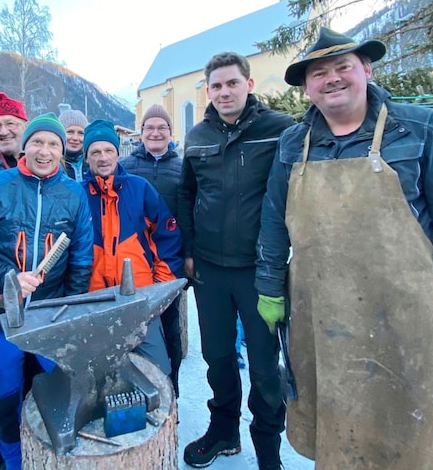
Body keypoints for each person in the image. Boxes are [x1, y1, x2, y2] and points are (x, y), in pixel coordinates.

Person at [255, 27, 433, 469]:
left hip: (401, 321)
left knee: (410, 441)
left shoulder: (422, 129)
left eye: (342, 67)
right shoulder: (294, 144)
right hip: (320, 321)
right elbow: (274, 221)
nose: (331, 79)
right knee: (338, 437)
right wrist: (269, 286)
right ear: (307, 87)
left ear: (366, 69)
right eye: (319, 73)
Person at [0, 112, 93, 470]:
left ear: (61, 151)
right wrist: (7, 276)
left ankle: (52, 459)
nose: (44, 151)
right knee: (4, 401)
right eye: (37, 142)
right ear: (24, 147)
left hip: (50, 314)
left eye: (52, 144)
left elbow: (80, 259)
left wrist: (70, 314)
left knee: (56, 396)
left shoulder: (73, 194)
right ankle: (12, 461)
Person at [178, 51, 295, 470]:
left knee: (265, 366)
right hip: (210, 269)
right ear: (207, 91)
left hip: (258, 270)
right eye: (216, 86)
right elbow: (187, 194)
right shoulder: (198, 136)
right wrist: (190, 250)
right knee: (218, 357)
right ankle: (223, 431)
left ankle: (268, 451)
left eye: (232, 83)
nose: (224, 92)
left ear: (249, 84)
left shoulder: (280, 130)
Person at [83, 119, 183, 374]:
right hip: (94, 303)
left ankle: (164, 413)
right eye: (95, 152)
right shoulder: (77, 195)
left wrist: (158, 288)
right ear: (87, 157)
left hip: (140, 302)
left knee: (156, 369)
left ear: (118, 153)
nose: (103, 157)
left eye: (109, 151)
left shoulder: (139, 189)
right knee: (100, 373)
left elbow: (167, 236)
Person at [119, 104, 185, 395]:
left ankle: (171, 390)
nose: (156, 132)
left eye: (162, 127)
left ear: (170, 133)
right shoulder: (127, 167)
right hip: (135, 265)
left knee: (170, 328)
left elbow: (190, 213)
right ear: (141, 133)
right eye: (150, 127)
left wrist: (188, 257)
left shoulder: (183, 168)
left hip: (170, 262)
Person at [58, 108, 88, 181]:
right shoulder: (51, 164)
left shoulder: (92, 163)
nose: (75, 138)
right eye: (70, 132)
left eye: (81, 133)